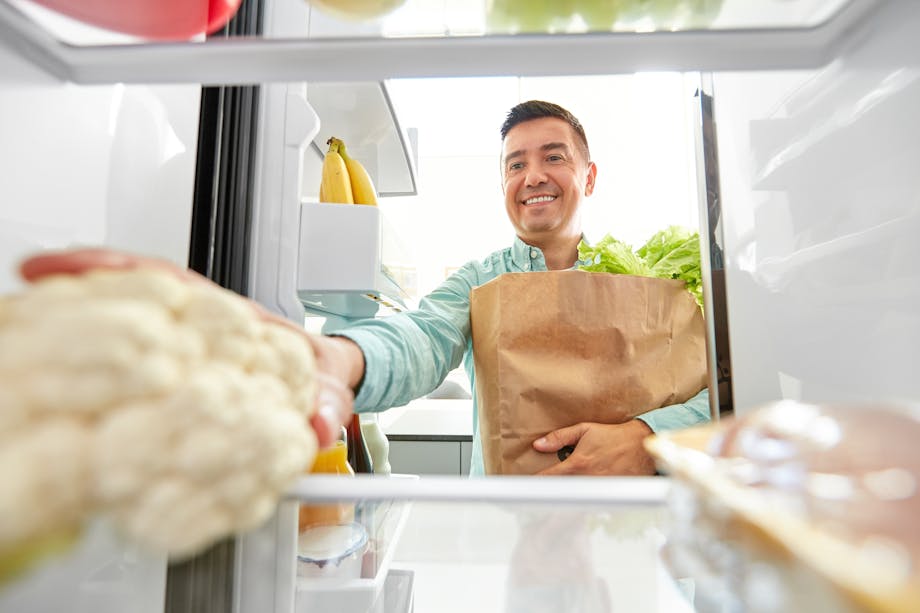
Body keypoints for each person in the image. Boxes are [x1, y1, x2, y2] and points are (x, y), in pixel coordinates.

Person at [312, 99, 710, 476]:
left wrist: (649, 437)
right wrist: (344, 358)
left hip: (620, 523)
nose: (533, 176)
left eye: (554, 157)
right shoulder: (479, 282)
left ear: (588, 178)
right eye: (515, 165)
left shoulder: (638, 282)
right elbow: (425, 336)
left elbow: (728, 394)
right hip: (503, 527)